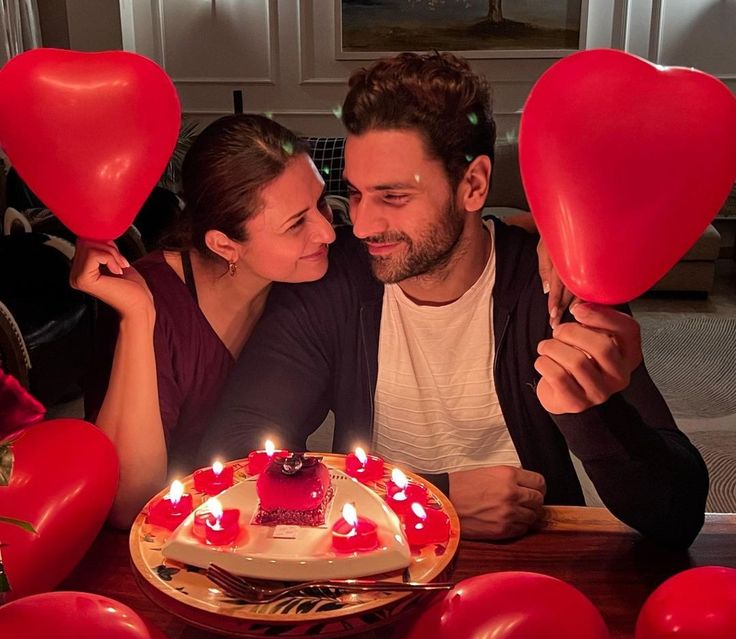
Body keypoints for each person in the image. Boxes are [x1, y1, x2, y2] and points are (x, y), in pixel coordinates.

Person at [199, 53, 708, 548]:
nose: (360, 225)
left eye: (393, 197)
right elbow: (233, 460)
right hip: (378, 560)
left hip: (529, 564)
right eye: (354, 193)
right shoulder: (333, 288)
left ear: (473, 184)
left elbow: (676, 518)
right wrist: (431, 496)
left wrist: (595, 413)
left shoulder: (553, 286)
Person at [71, 114, 336, 528]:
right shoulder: (156, 301)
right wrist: (139, 318)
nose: (327, 231)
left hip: (274, 531)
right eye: (296, 222)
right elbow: (128, 505)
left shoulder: (310, 282)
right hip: (167, 548)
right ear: (225, 245)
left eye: (321, 201)